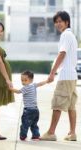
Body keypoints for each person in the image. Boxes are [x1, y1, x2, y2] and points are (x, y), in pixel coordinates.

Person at [40, 11, 78, 141]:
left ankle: (51, 133)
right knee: (71, 106)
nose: (58, 24)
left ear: (67, 22)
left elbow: (62, 53)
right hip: (72, 76)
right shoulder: (71, 35)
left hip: (66, 76)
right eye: (56, 22)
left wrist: (52, 73)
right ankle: (72, 133)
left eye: (60, 21)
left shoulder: (66, 35)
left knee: (57, 104)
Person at [10, 70, 48, 141]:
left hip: (28, 110)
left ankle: (23, 136)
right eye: (22, 80)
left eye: (25, 80)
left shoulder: (25, 88)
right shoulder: (33, 85)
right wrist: (47, 81)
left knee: (25, 124)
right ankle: (36, 136)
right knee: (34, 124)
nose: (23, 82)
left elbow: (18, 92)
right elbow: (40, 84)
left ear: (31, 80)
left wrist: (10, 89)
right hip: (36, 110)